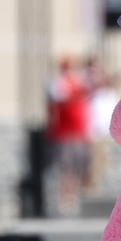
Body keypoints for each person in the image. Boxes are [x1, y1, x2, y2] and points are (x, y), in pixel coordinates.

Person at [46, 57, 93, 209]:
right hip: (64, 133)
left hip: (79, 132)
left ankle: (74, 197)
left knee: (78, 167)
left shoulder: (77, 81)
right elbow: (61, 98)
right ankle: (64, 200)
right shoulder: (57, 82)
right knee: (66, 168)